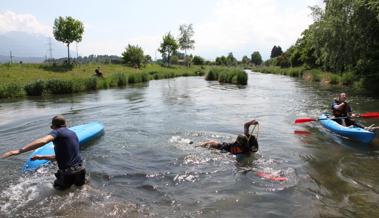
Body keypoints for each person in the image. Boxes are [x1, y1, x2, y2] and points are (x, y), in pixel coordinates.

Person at [1, 115, 86, 190]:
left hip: (68, 173)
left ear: (53, 126)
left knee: (58, 192)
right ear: (66, 124)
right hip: (81, 170)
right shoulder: (73, 133)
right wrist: (41, 157)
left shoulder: (57, 132)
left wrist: (20, 150)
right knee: (81, 189)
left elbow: (43, 141)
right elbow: (62, 157)